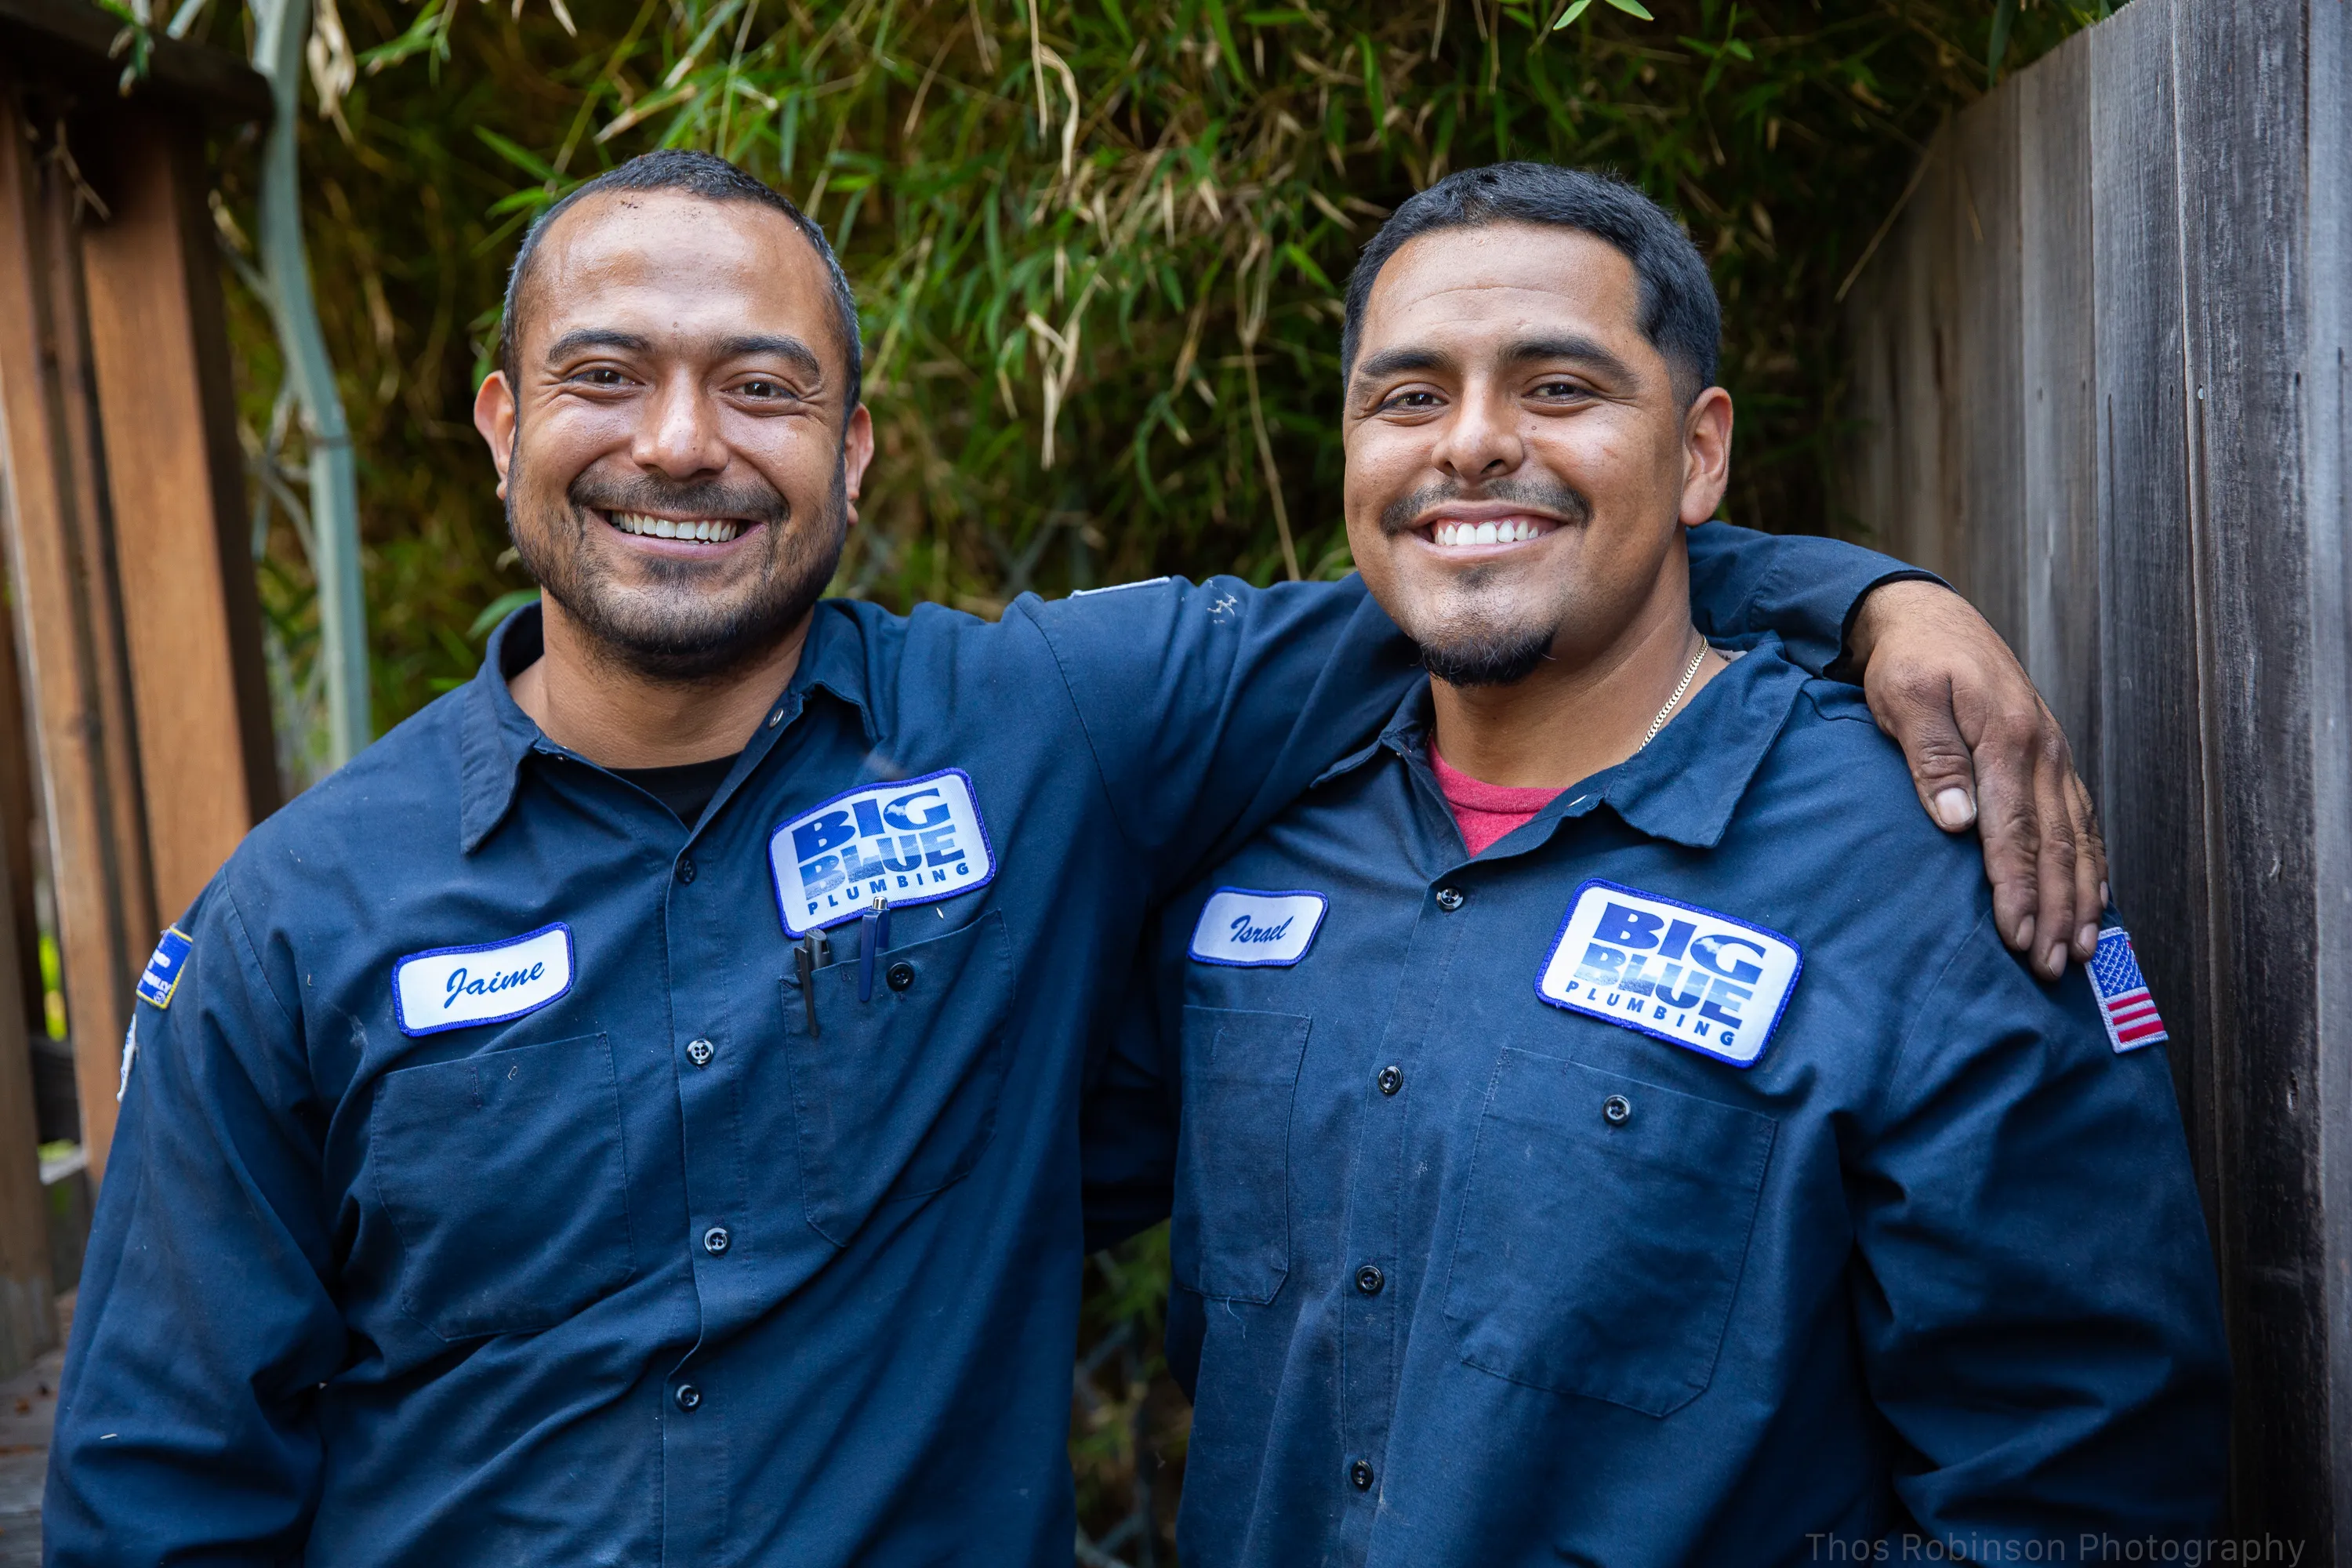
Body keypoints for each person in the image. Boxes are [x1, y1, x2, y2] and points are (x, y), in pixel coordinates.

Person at [45, 150, 2110, 1564]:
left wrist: (1870, 600)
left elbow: (1497, 544)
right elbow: (162, 1486)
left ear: (849, 452)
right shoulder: (291, 923)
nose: (683, 439)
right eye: (609, 376)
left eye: (762, 387)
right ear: (499, 429)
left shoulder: (1052, 728)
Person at [1097, 162, 2227, 1566]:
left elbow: (2080, 1497)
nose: (1470, 445)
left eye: (1558, 389)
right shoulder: (1251, 836)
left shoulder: (1920, 870)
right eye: (1407, 397)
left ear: (1700, 454)